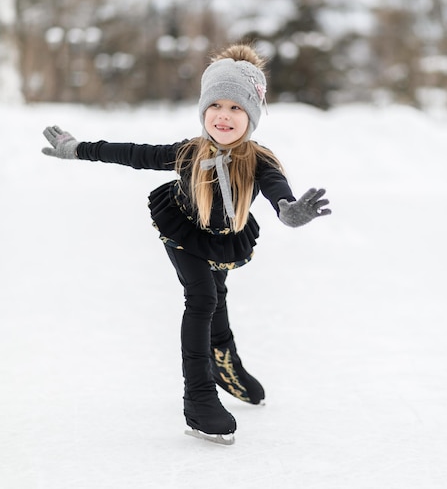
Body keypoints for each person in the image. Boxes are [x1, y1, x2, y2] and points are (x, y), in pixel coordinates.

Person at [42, 43, 331, 444]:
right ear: (203, 110)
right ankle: (199, 399)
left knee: (218, 294)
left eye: (236, 107)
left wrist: (288, 210)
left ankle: (226, 365)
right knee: (203, 299)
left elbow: (277, 191)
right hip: (182, 231)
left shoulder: (259, 160)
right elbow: (133, 154)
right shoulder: (188, 154)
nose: (224, 116)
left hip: (223, 238)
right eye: (216, 105)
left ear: (252, 114)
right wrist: (78, 149)